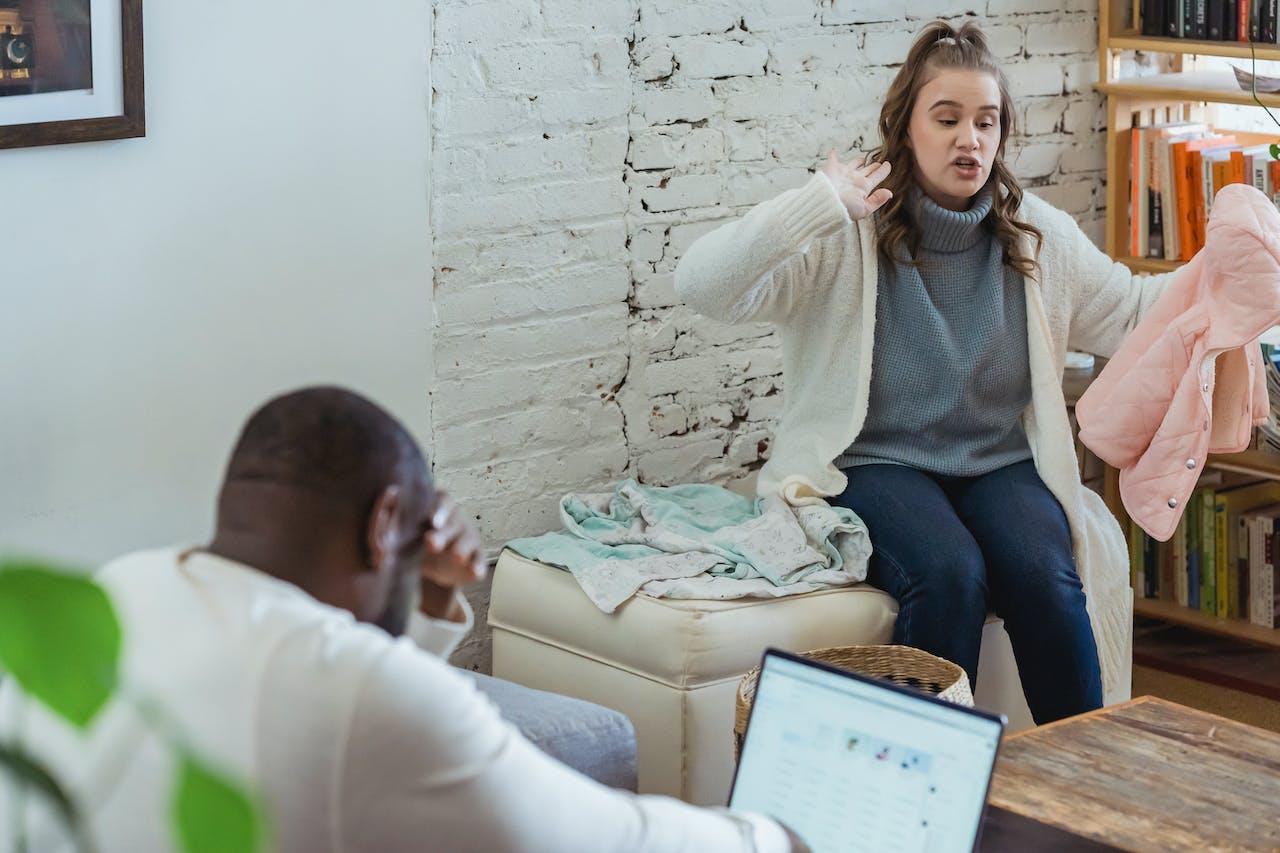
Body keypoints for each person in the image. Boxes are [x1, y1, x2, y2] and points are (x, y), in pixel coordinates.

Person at [0, 387, 804, 852]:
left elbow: (348, 682)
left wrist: (424, 600)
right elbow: (610, 840)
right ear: (386, 521)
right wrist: (775, 837)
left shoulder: (116, 587)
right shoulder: (350, 692)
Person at [675, 20, 1171, 725]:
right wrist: (817, 204)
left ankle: (1088, 773)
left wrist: (1232, 274)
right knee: (948, 574)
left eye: (986, 121)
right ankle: (922, 778)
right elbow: (702, 286)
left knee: (1045, 575)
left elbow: (1134, 312)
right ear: (906, 128)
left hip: (997, 463)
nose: (970, 139)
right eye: (947, 119)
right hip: (876, 463)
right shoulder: (848, 229)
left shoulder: (1034, 233)